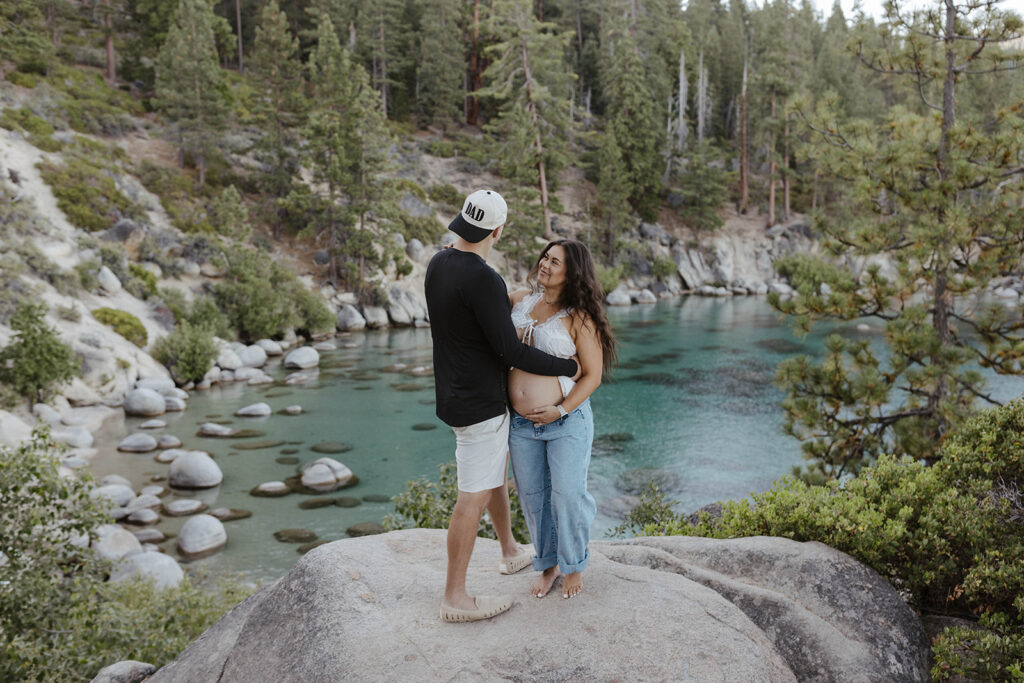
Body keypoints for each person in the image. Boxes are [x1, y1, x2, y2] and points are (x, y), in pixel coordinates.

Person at [425, 189, 580, 623]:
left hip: (452, 394)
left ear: (462, 220)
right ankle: (455, 597)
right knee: (470, 498)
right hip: (480, 403)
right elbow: (511, 351)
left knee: (494, 473)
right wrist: (566, 364)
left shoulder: (438, 263)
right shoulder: (483, 278)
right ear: (497, 230)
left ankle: (510, 549)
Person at [507, 239, 617, 600]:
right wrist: (457, 254)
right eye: (545, 257)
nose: (545, 264)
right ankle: (548, 564)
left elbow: (593, 376)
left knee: (567, 496)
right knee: (534, 498)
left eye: (555, 262)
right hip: (522, 425)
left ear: (571, 274)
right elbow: (483, 292)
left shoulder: (578, 317)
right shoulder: (521, 300)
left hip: (565, 421)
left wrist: (561, 409)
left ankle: (573, 565)